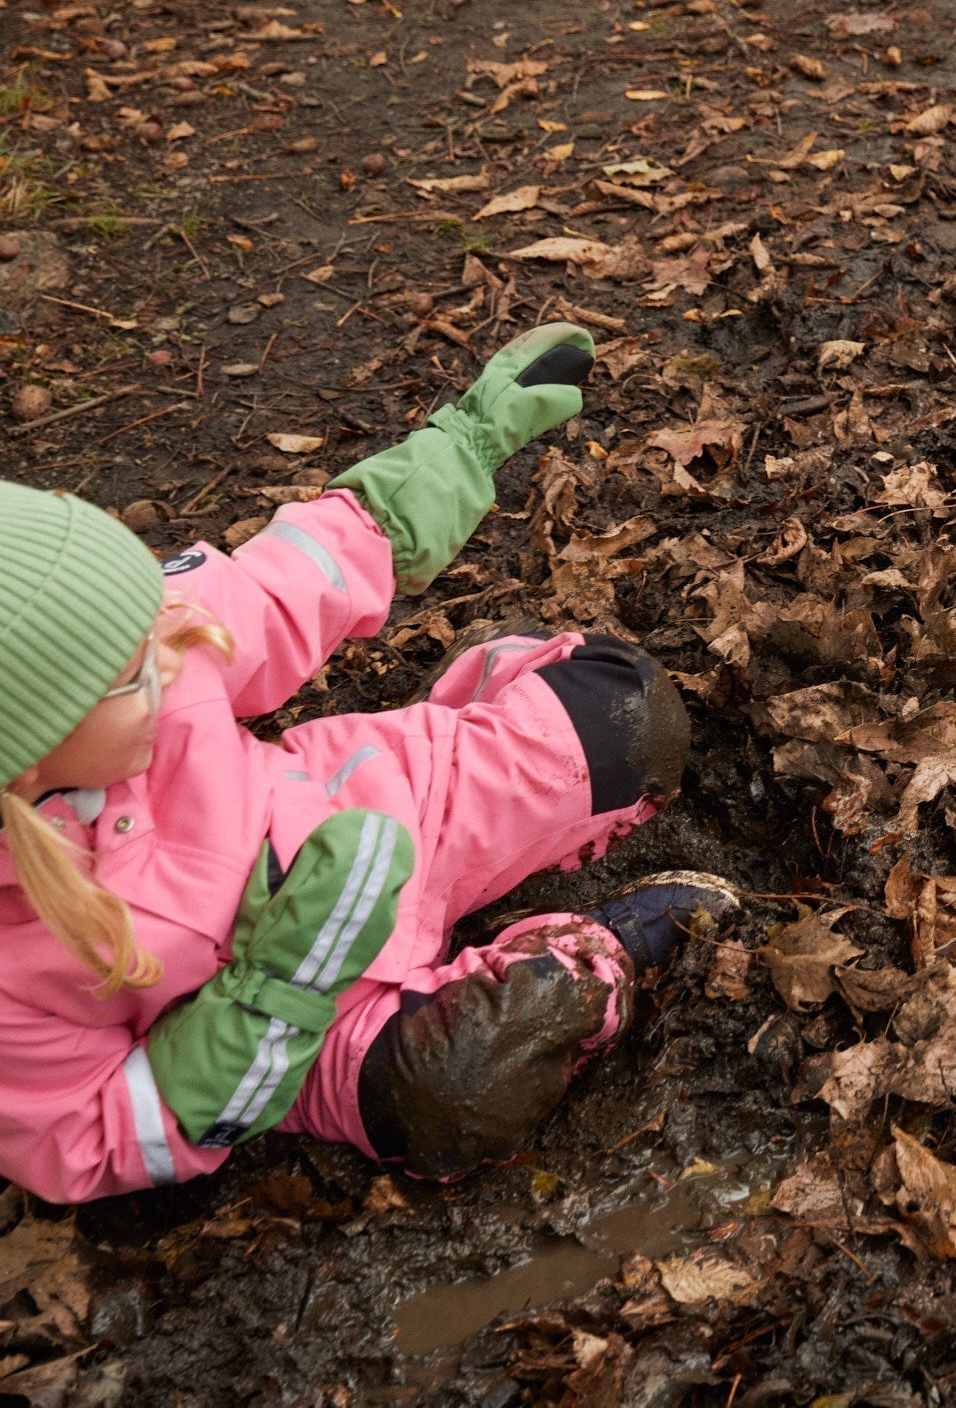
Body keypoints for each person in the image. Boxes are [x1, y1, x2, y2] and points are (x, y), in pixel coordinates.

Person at [0, 324, 738, 1203]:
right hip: (303, 1039)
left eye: (153, 625)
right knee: (459, 1092)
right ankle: (600, 946)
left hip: (378, 800)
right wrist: (280, 989)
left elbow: (292, 574)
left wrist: (468, 440)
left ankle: (482, 710)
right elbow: (92, 1131)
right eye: (128, 678)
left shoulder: (147, 626)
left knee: (632, 717)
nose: (168, 654)